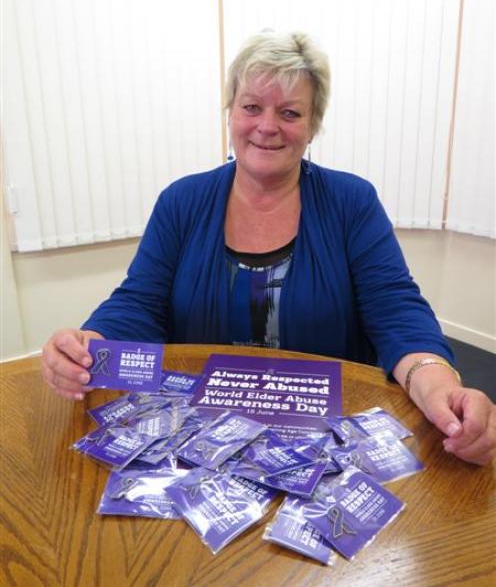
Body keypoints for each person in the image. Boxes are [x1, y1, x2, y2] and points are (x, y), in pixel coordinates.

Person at [41, 31, 495, 466]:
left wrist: (439, 390)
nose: (267, 127)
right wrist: (88, 347)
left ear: (313, 126)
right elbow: (140, 304)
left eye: (290, 113)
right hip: (199, 442)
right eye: (252, 106)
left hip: (322, 444)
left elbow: (397, 311)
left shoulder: (351, 202)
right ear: (231, 113)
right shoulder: (181, 201)